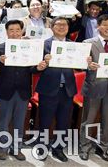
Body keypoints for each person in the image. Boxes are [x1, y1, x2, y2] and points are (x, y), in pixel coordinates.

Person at [35, 17, 91, 162]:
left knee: (63, 122)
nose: (61, 27)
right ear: (52, 27)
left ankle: (58, 149)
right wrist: (43, 62)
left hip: (67, 89)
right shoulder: (43, 44)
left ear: (68, 27)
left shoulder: (75, 46)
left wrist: (86, 62)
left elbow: (80, 67)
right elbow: (35, 67)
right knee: (45, 121)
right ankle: (42, 147)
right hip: (48, 89)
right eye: (58, 25)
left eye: (64, 25)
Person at [0, 20, 46, 161]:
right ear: (6, 32)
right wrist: (0, 62)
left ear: (22, 31)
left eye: (18, 30)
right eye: (11, 30)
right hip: (6, 90)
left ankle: (16, 149)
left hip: (23, 90)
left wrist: (39, 68)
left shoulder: (28, 47)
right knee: (4, 121)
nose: (15, 33)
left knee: (19, 121)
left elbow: (31, 68)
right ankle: (3, 149)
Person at [79, 14, 108, 162]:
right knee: (88, 120)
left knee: (107, 120)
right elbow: (80, 63)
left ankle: (103, 148)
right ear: (98, 26)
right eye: (105, 25)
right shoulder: (88, 42)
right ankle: (84, 148)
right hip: (94, 87)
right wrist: (88, 65)